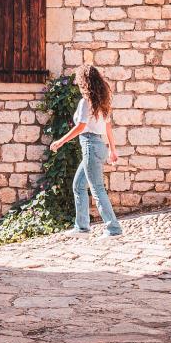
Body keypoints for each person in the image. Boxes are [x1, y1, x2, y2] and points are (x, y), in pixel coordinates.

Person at [50, 64, 122, 237]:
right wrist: (112, 150)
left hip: (90, 145)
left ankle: (113, 229)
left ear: (84, 81)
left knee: (97, 188)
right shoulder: (103, 101)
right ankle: (82, 227)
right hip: (99, 146)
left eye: (78, 79)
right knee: (78, 185)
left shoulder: (85, 102)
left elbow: (81, 127)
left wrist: (60, 141)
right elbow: (108, 127)